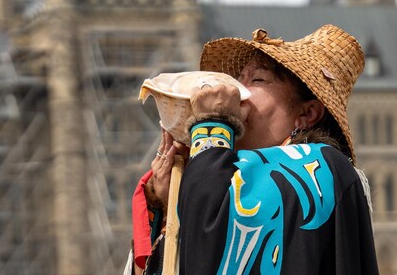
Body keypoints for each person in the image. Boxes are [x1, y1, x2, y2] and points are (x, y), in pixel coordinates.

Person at [127, 24, 379, 274]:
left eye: (257, 79)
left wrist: (212, 125)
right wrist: (169, 203)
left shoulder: (322, 167)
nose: (237, 92)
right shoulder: (222, 171)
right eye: (239, 79)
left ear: (307, 113)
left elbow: (213, 242)